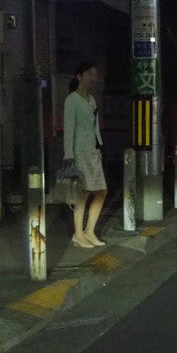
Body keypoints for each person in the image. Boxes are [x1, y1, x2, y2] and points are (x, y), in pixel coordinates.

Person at [63, 61, 107, 249]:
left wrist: (99, 147)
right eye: (89, 74)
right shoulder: (72, 100)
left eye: (94, 74)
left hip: (93, 151)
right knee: (83, 193)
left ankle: (89, 231)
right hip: (79, 152)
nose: (93, 78)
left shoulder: (92, 99)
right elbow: (69, 129)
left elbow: (95, 127)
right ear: (79, 77)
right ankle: (78, 234)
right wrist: (68, 155)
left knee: (101, 191)